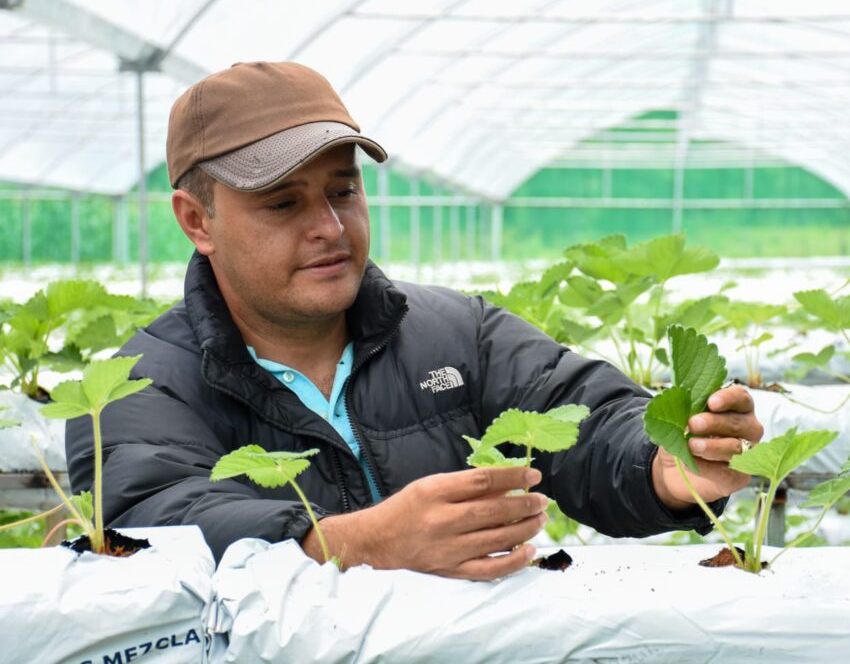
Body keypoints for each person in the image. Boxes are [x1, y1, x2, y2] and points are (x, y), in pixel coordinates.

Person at [66, 61, 763, 580]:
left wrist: (663, 465)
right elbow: (154, 519)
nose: (330, 226)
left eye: (344, 189)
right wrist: (357, 542)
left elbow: (578, 407)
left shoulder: (456, 332)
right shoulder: (138, 385)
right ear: (198, 221)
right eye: (283, 204)